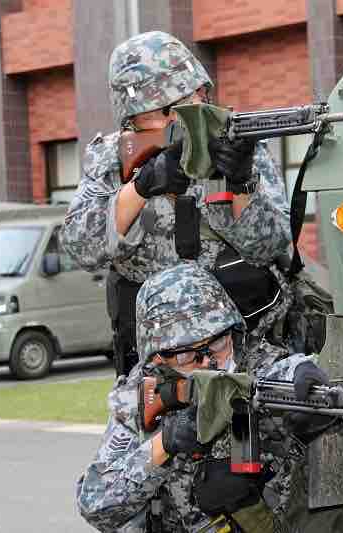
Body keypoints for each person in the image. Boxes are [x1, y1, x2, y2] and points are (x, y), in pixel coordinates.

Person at [75, 263, 343, 533]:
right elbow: (95, 505)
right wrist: (163, 445)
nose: (209, 362)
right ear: (158, 358)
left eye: (218, 343)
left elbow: (282, 373)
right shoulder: (142, 396)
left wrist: (306, 376)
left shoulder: (257, 363)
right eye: (188, 355)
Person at [61, 31, 292, 376]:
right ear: (132, 118)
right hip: (159, 362)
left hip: (245, 348)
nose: (188, 114)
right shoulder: (111, 158)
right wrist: (141, 187)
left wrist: (241, 183)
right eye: (169, 108)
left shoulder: (237, 146)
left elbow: (271, 246)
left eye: (197, 96)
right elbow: (81, 248)